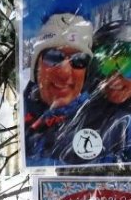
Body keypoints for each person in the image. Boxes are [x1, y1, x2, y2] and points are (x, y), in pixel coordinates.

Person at [23, 13, 94, 166]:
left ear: (87, 72)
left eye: (79, 60)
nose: (64, 73)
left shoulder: (113, 125)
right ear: (36, 68)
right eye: (53, 57)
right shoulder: (14, 118)